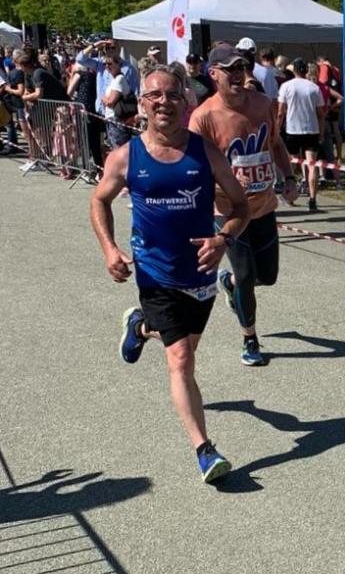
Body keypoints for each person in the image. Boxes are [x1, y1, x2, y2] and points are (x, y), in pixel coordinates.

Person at [89, 65, 250, 483]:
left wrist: (224, 239)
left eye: (172, 95)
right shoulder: (126, 157)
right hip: (154, 273)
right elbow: (99, 200)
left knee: (184, 349)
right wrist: (109, 248)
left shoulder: (205, 153)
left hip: (201, 274)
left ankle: (141, 328)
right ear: (142, 103)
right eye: (154, 95)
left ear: (184, 101)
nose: (164, 102)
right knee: (181, 360)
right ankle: (205, 450)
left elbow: (241, 206)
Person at [189, 44, 298, 366]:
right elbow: (194, 169)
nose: (238, 74)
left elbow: (275, 144)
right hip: (227, 211)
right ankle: (250, 338)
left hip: (263, 205)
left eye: (241, 67)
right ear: (213, 74)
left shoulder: (262, 103)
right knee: (247, 275)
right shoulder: (203, 117)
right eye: (230, 69)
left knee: (268, 276)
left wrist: (289, 177)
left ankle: (230, 283)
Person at [277, 57, 325, 212]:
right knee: (312, 164)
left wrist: (276, 129)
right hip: (311, 130)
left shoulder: (286, 86)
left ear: (294, 70)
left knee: (291, 163)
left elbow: (280, 112)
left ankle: (290, 195)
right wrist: (321, 133)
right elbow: (321, 114)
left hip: (293, 130)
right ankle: (313, 199)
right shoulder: (314, 88)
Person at [76, 39, 139, 117]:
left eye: (113, 47)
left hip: (118, 112)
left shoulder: (128, 68)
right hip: (101, 110)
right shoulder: (100, 63)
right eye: (107, 48)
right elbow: (80, 59)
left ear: (119, 49)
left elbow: (135, 91)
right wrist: (95, 45)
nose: (110, 50)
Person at [100, 55, 136, 149]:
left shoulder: (119, 79)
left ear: (118, 64)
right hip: (112, 119)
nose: (107, 66)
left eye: (110, 63)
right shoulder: (114, 80)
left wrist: (103, 98)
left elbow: (110, 102)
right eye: (105, 64)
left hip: (117, 120)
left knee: (119, 149)